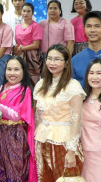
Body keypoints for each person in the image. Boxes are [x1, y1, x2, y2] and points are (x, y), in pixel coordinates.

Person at [34, 44, 85, 181]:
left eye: (57, 59)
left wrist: (71, 151)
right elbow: (38, 116)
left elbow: (76, 121)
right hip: (42, 141)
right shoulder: (41, 84)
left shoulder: (73, 86)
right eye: (49, 58)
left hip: (63, 142)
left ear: (66, 62)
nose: (52, 62)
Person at [0, 56, 37, 182]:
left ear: (23, 71)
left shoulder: (25, 90)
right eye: (9, 69)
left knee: (16, 170)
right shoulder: (3, 87)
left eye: (16, 69)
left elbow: (15, 115)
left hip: (15, 136)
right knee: (0, 168)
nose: (12, 73)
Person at [13, 3, 43, 87]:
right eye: (24, 11)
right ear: (21, 12)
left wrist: (22, 48)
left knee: (33, 79)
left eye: (28, 11)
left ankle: (33, 99)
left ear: (32, 13)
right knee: (19, 78)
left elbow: (36, 45)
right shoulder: (17, 27)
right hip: (20, 54)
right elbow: (17, 42)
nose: (26, 13)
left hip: (32, 56)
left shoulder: (36, 26)